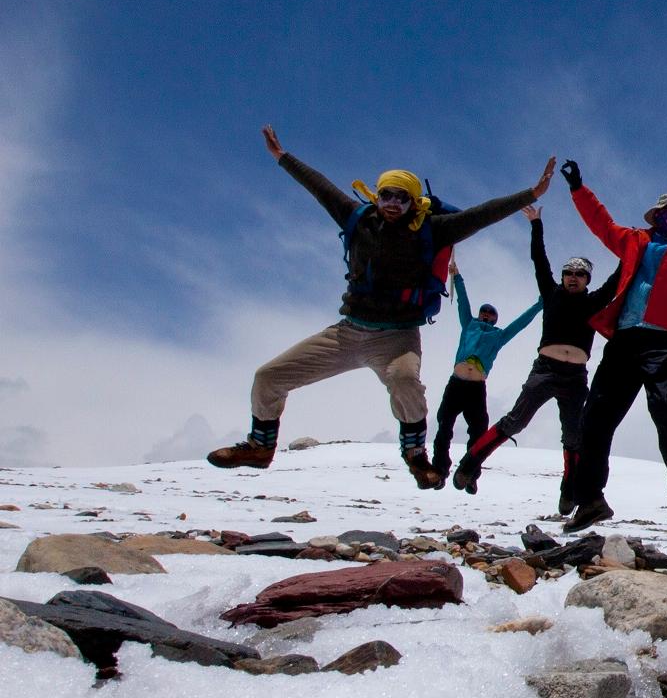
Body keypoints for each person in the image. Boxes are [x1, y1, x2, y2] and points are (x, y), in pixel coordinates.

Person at [208, 125, 552, 485]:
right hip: (347, 333)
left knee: (405, 382)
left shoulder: (432, 229)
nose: (391, 204)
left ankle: (417, 457)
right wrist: (283, 158)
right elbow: (320, 187)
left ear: (413, 202)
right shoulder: (357, 219)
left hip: (397, 339)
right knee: (268, 377)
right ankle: (260, 447)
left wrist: (530, 193)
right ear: (376, 196)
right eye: (386, 195)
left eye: (401, 198)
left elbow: (482, 215)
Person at [556, 161, 667, 532]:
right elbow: (601, 224)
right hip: (625, 337)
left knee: (663, 408)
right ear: (658, 214)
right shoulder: (634, 240)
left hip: (664, 339)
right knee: (595, 418)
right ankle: (590, 500)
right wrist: (579, 188)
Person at [450, 205, 622, 515]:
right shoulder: (552, 292)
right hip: (545, 371)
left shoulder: (596, 301)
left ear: (587, 279)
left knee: (574, 435)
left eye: (579, 274)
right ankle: (469, 463)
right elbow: (538, 259)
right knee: (515, 421)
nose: (572, 278)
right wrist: (536, 224)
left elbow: (620, 276)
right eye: (568, 273)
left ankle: (568, 490)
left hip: (575, 376)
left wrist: (634, 250)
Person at [430, 259, 540, 479]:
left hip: (476, 388)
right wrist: (456, 276)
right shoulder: (469, 324)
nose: (486, 315)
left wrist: (539, 305)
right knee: (444, 425)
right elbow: (463, 301)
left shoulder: (498, 336)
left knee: (479, 430)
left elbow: (520, 323)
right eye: (484, 312)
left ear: (495, 319)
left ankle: (470, 474)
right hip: (457, 382)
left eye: (491, 314)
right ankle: (440, 468)